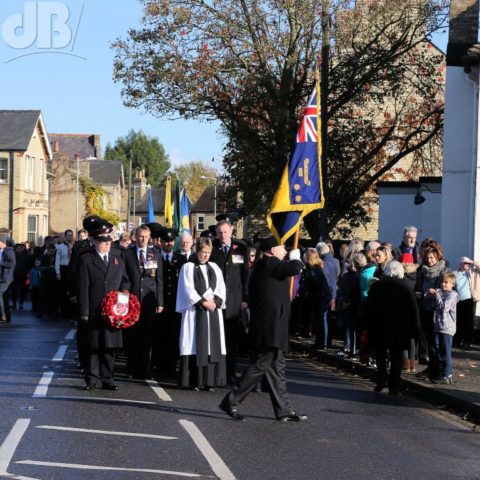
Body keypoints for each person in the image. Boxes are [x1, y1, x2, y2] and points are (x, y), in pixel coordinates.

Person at [219, 236, 307, 422]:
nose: (285, 251)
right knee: (260, 366)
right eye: (282, 248)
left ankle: (283, 410)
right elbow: (294, 268)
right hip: (270, 327)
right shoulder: (269, 263)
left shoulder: (270, 264)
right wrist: (297, 257)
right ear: (273, 250)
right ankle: (231, 400)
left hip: (276, 326)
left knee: (277, 369)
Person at [77, 219, 130, 390]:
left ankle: (108, 378)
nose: (105, 245)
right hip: (94, 310)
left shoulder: (117, 260)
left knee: (110, 348)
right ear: (95, 242)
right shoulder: (87, 260)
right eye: (102, 242)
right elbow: (83, 288)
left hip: (113, 313)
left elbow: (125, 282)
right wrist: (84, 312)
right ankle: (92, 379)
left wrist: (123, 298)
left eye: (108, 242)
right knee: (93, 347)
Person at [361, 261, 420, 395]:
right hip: (400, 328)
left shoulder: (378, 286)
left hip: (380, 326)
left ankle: (381, 381)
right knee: (397, 356)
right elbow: (413, 309)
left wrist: (364, 323)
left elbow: (368, 306)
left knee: (380, 355)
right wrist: (415, 328)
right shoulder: (405, 287)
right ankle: (394, 386)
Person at [176, 237, 227, 390]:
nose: (206, 255)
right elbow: (188, 289)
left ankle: (210, 381)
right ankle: (193, 380)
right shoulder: (188, 267)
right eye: (203, 252)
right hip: (195, 311)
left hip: (212, 312)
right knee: (194, 342)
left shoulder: (214, 267)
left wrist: (215, 303)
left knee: (213, 343)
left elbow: (221, 288)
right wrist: (202, 302)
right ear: (197, 251)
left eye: (208, 252)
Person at [209, 219, 249, 384]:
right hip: (216, 299)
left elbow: (245, 275)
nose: (223, 235)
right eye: (220, 232)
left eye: (225, 232)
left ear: (231, 231)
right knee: (216, 337)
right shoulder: (212, 247)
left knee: (232, 339)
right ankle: (216, 373)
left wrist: (245, 298)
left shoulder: (241, 248)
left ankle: (230, 372)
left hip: (234, 300)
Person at [122, 224, 164, 379]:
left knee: (147, 337)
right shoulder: (127, 254)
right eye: (141, 236)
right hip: (132, 300)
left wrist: (160, 302)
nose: (143, 239)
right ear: (135, 237)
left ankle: (144, 368)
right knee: (132, 336)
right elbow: (124, 277)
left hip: (149, 301)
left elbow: (159, 281)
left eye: (146, 237)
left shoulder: (156, 254)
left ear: (150, 237)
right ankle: (131, 368)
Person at [154, 227, 187, 378]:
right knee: (159, 336)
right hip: (160, 304)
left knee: (174, 337)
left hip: (176, 304)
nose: (168, 244)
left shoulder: (181, 259)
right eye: (166, 241)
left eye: (171, 241)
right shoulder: (154, 257)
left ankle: (171, 367)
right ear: (160, 241)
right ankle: (159, 366)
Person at [415, 245, 448, 379]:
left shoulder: (443, 271)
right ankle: (431, 368)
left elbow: (450, 289)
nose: (429, 260)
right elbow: (419, 287)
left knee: (437, 342)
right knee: (429, 341)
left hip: (438, 312)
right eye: (427, 258)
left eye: (432, 258)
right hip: (425, 308)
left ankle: (439, 370)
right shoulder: (423, 271)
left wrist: (437, 292)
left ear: (437, 257)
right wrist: (419, 293)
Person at [430, 272, 459, 384]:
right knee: (436, 349)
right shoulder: (442, 294)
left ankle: (447, 374)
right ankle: (442, 372)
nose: (443, 284)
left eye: (446, 282)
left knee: (445, 351)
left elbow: (444, 308)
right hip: (438, 326)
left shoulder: (452, 295)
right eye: (442, 282)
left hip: (447, 328)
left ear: (452, 284)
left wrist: (437, 295)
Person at [454, 257, 476, 349]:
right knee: (458, 321)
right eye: (464, 263)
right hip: (458, 300)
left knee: (469, 322)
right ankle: (457, 341)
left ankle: (467, 342)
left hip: (469, 300)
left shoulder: (471, 273)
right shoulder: (455, 273)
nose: (466, 265)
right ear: (460, 263)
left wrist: (472, 262)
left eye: (468, 263)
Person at [0, 233, 16, 322]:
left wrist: (1, 263)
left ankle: (3, 315)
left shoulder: (9, 251)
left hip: (7, 278)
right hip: (2, 278)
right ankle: (7, 316)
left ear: (2, 242)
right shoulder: (2, 251)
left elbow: (13, 263)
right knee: (5, 297)